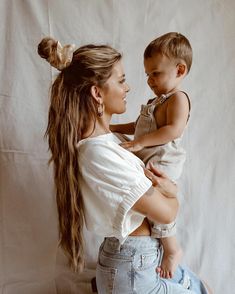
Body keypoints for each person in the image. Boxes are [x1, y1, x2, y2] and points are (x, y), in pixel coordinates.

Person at [38, 36, 211, 293]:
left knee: (202, 286)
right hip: (132, 266)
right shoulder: (101, 154)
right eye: (121, 80)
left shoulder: (111, 142)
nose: (128, 88)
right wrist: (173, 194)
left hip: (138, 260)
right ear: (97, 93)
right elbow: (166, 213)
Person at [110, 32, 192, 279]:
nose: (149, 80)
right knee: (117, 147)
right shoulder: (154, 101)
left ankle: (172, 249)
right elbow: (138, 126)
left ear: (179, 70)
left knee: (157, 203)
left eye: (155, 73)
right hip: (147, 152)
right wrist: (113, 129)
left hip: (163, 160)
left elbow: (172, 130)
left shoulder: (178, 99)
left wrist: (140, 143)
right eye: (147, 74)